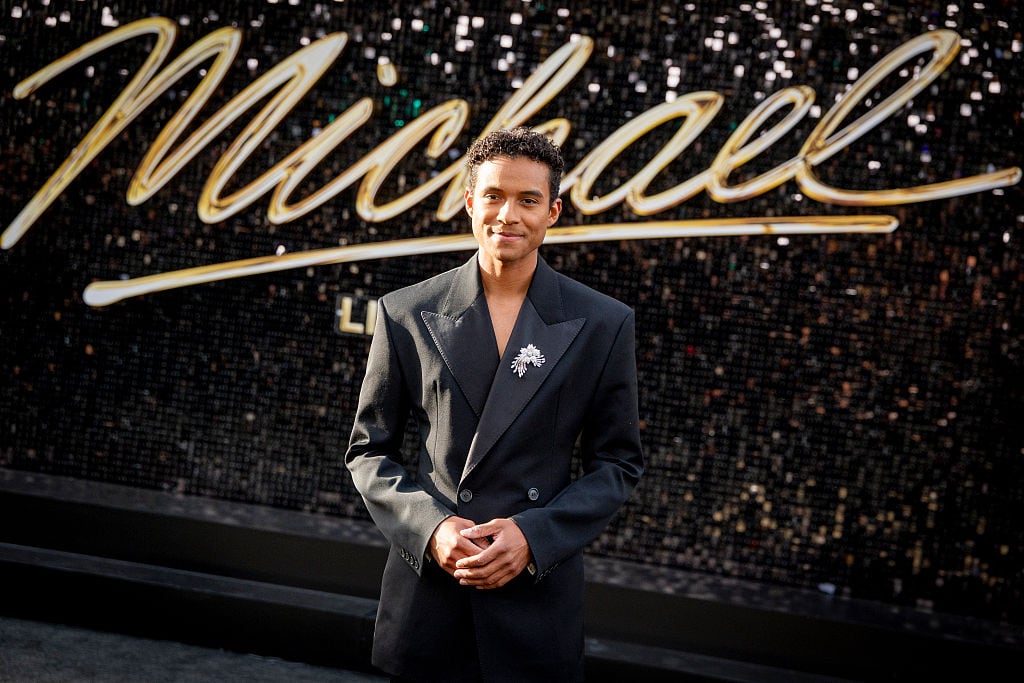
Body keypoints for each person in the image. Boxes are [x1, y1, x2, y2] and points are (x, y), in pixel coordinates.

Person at [345, 127, 644, 682]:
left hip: (534, 593)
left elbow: (617, 464)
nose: (508, 214)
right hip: (431, 589)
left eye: (528, 200)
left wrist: (534, 536)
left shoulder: (604, 323)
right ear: (469, 202)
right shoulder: (406, 312)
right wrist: (433, 530)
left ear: (552, 212)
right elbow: (368, 452)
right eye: (493, 196)